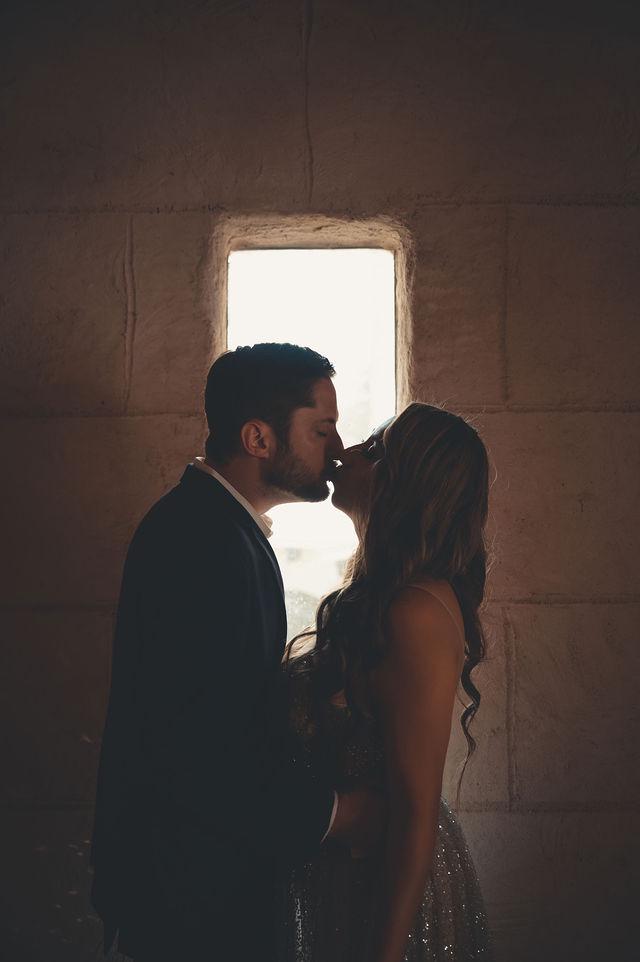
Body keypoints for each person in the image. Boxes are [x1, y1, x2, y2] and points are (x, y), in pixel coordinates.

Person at [90, 343, 382, 962]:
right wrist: (338, 815)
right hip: (190, 894)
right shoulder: (204, 543)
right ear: (258, 438)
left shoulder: (218, 528)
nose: (337, 449)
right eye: (322, 429)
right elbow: (204, 744)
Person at [281, 402, 493, 962]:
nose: (346, 453)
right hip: (350, 874)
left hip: (387, 892)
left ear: (407, 485)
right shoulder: (382, 596)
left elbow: (415, 812)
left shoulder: (415, 612)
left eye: (373, 452)